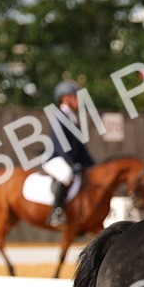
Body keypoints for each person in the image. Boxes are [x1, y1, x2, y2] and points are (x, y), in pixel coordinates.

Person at [43, 79, 97, 226]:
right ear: (66, 98)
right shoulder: (59, 116)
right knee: (66, 175)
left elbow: (79, 146)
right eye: (76, 96)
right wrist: (72, 163)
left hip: (68, 159)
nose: (78, 100)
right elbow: (61, 145)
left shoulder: (72, 118)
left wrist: (92, 164)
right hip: (56, 158)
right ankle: (56, 212)